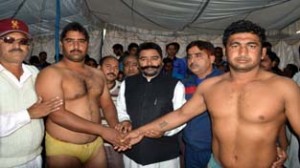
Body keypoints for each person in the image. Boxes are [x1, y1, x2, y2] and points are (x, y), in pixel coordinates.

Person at [118, 20, 300, 167]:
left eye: (251, 45)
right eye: (235, 45)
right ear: (226, 51)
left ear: (263, 52)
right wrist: (139, 132)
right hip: (215, 164)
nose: (243, 51)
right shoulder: (210, 87)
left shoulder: (284, 87)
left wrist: (281, 148)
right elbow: (180, 114)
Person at [35, 22, 126, 167]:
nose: (76, 46)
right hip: (64, 146)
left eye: (81, 41)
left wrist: (116, 132)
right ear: (61, 44)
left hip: (95, 145)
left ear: (88, 44)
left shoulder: (97, 74)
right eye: (70, 41)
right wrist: (103, 130)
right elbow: (57, 115)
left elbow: (107, 105)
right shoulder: (50, 74)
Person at [0, 18, 63, 167]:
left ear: (28, 47)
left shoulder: (34, 73)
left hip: (35, 158)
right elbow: (35, 112)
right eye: (8, 39)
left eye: (23, 41)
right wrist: (28, 114)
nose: (17, 45)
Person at [116, 42, 186, 168]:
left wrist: (164, 130)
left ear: (161, 61)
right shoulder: (128, 83)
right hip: (132, 151)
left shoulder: (175, 85)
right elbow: (121, 107)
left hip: (164, 155)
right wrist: (125, 120)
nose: (149, 63)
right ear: (138, 62)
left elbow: (181, 115)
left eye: (154, 58)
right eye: (144, 59)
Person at [181, 40, 223, 168]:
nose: (192, 60)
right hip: (191, 148)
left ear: (212, 58)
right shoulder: (184, 83)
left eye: (198, 55)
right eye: (189, 56)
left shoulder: (224, 82)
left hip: (218, 150)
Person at [100, 55, 132, 168]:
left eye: (116, 67)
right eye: (108, 66)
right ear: (99, 68)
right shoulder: (89, 89)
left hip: (115, 144)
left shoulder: (124, 90)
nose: (112, 70)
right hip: (94, 143)